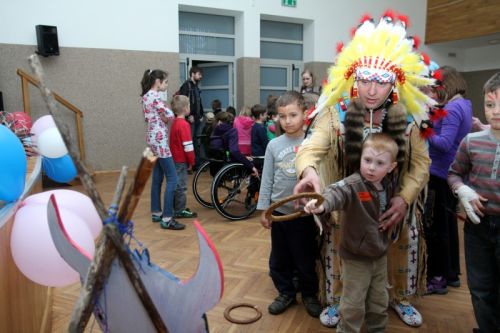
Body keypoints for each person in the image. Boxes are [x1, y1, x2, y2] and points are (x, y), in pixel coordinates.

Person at [294, 12, 435, 328]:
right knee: (342, 251)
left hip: (393, 204)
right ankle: (340, 300)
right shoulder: (335, 115)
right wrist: (309, 173)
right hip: (348, 204)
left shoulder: (409, 118)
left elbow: (421, 164)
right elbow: (311, 149)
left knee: (400, 248)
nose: (371, 90)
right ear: (352, 79)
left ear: (395, 83)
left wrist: (404, 199)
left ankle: (397, 298)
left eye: (380, 82)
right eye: (365, 80)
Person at [304, 133, 398, 333]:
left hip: (380, 255)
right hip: (356, 258)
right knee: (353, 304)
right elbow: (335, 193)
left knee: (379, 301)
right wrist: (321, 204)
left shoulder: (389, 185)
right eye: (367, 160)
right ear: (361, 158)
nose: (372, 167)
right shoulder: (353, 185)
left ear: (391, 167)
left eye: (380, 163)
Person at [257, 91, 322, 318]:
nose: (288, 121)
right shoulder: (273, 145)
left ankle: (309, 294)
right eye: (282, 116)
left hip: (304, 216)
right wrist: (265, 210)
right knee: (279, 259)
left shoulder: (313, 143)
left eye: (293, 115)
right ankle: (285, 293)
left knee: (305, 259)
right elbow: (266, 180)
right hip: (280, 215)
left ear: (305, 113)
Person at [448, 72, 500, 333]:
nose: (496, 111)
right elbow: (454, 173)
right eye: (490, 105)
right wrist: (462, 190)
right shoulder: (472, 141)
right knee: (480, 288)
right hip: (477, 226)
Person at [423, 66, 473, 294]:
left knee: (437, 228)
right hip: (450, 173)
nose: (433, 94)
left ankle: (437, 278)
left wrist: (425, 127)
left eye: (436, 88)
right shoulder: (464, 103)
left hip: (441, 174)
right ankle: (451, 274)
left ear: (446, 85)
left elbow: (443, 143)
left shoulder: (452, 108)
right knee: (449, 227)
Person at [141, 69, 184, 230]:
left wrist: (164, 117)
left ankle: (156, 212)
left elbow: (155, 115)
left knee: (158, 177)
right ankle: (167, 218)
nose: (166, 85)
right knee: (172, 178)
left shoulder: (146, 96)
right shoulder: (154, 96)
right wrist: (169, 112)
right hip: (160, 141)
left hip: (151, 139)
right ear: (157, 82)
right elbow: (169, 114)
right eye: (165, 82)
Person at [169, 95, 198, 220]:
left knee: (177, 184)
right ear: (185, 108)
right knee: (181, 185)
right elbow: (188, 146)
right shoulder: (184, 125)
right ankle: (179, 210)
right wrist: (192, 160)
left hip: (174, 159)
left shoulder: (175, 123)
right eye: (189, 106)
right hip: (181, 160)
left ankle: (176, 208)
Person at [210, 111, 258, 175]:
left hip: (217, 161)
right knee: (253, 163)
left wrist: (243, 157)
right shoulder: (232, 131)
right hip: (228, 161)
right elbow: (234, 151)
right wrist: (251, 166)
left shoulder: (215, 130)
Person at [179, 66, 204, 169]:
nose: (200, 76)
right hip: (191, 119)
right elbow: (182, 102)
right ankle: (191, 165)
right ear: (192, 74)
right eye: (199, 74)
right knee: (190, 141)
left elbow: (198, 102)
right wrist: (188, 115)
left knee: (195, 141)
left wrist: (201, 114)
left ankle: (195, 164)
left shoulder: (196, 86)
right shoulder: (186, 86)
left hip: (197, 118)